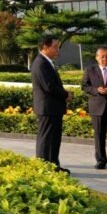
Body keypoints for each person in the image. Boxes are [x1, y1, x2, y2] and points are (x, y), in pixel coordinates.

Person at [31, 35, 71, 173]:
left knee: (53, 139)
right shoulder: (41, 63)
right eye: (55, 47)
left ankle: (53, 165)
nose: (58, 50)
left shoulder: (46, 62)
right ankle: (44, 167)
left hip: (52, 107)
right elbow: (49, 86)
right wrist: (66, 94)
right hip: (47, 108)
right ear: (45, 47)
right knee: (46, 139)